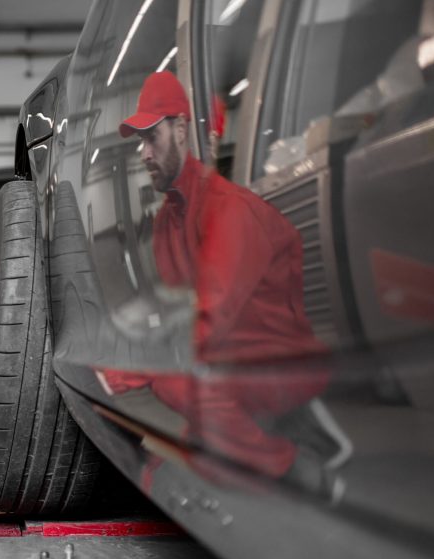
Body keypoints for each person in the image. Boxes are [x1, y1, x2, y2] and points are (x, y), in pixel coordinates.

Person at [107, 70, 344, 490]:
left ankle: (297, 469)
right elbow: (175, 305)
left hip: (279, 358)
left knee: (177, 382)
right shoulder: (167, 220)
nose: (143, 153)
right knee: (189, 413)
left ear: (181, 131)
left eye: (152, 138)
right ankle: (257, 434)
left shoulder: (229, 211)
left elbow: (210, 319)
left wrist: (126, 370)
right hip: (235, 353)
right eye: (139, 142)